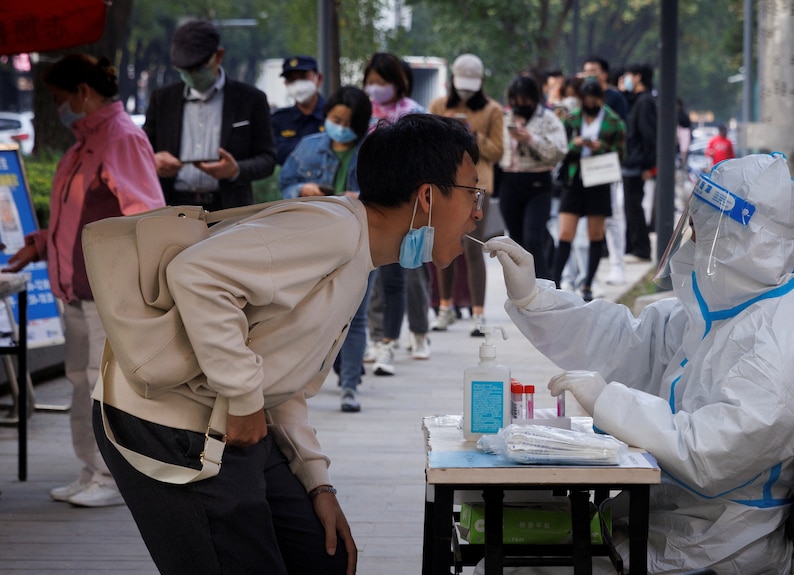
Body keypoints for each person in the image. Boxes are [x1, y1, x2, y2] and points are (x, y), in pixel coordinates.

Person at [93, 114, 483, 575]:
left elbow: (281, 378)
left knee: (323, 557)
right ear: (427, 195)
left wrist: (318, 484)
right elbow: (196, 273)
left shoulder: (359, 255)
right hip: (167, 419)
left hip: (232, 416)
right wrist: (241, 396)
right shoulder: (332, 229)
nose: (478, 210)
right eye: (472, 192)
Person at [484, 153, 794, 574]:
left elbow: (708, 453)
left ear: (733, 241)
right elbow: (629, 341)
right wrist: (536, 299)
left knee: (519, 566)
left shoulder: (787, 340)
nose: (691, 242)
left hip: (715, 545)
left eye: (700, 231)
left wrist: (610, 403)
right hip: (669, 519)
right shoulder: (730, 309)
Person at [3, 54, 165, 507]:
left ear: (82, 93)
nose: (58, 108)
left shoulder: (120, 139)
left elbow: (145, 217)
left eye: (58, 98)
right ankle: (92, 469)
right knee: (83, 380)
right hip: (77, 288)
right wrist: (40, 242)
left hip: (107, 290)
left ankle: (113, 480)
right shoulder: (84, 143)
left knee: (103, 384)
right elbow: (79, 216)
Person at [277, 86, 373, 412]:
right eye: (335, 118)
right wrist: (302, 189)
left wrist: (361, 200)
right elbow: (284, 185)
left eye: (347, 122)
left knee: (356, 316)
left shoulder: (372, 153)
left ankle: (349, 387)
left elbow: (387, 197)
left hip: (361, 240)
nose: (340, 126)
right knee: (316, 313)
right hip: (316, 242)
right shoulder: (308, 147)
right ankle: (313, 376)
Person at [143, 19, 276, 211]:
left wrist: (236, 170)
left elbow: (267, 159)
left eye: (198, 69)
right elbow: (142, 151)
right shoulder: (163, 99)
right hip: (172, 207)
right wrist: (153, 161)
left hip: (228, 209)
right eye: (184, 71)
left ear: (218, 56)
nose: (191, 76)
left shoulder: (250, 99)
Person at [362, 52, 431, 375]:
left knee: (409, 272)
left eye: (382, 82)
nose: (375, 89)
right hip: (372, 204)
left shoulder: (414, 115)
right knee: (375, 273)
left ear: (398, 83)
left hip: (408, 206)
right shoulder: (364, 114)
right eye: (370, 82)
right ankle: (377, 338)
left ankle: (417, 333)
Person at [428, 53, 504, 336]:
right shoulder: (438, 105)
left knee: (473, 249)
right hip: (446, 183)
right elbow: (427, 144)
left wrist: (473, 135)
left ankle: (478, 314)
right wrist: (446, 128)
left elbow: (497, 151)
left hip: (479, 186)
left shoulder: (492, 110)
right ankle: (444, 307)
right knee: (445, 246)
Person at [552, 81, 626, 301]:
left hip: (599, 179)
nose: (590, 104)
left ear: (601, 100)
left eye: (595, 100)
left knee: (595, 234)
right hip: (574, 180)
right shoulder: (572, 119)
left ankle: (587, 283)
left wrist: (600, 147)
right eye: (587, 100)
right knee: (565, 233)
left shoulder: (614, 122)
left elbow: (622, 154)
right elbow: (560, 149)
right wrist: (577, 144)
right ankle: (555, 281)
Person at [498, 75, 567, 280]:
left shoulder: (548, 119)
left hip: (538, 183)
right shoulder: (505, 118)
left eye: (525, 100)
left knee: (533, 237)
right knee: (516, 240)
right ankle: (521, 287)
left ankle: (545, 286)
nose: (520, 105)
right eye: (515, 101)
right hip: (509, 182)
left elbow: (560, 150)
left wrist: (531, 139)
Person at [582, 55, 629, 285]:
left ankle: (616, 265)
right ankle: (585, 272)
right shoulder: (578, 99)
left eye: (593, 70)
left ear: (604, 74)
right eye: (585, 70)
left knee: (611, 217)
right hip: (579, 170)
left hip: (604, 167)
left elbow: (621, 132)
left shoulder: (615, 99)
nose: (588, 74)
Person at [619, 63, 656, 261]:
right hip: (632, 162)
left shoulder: (645, 102)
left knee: (633, 206)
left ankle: (641, 248)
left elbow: (649, 136)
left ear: (638, 77)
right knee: (630, 206)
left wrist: (648, 165)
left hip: (637, 164)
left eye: (628, 75)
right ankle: (634, 246)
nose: (625, 80)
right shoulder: (638, 100)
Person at [271, 55, 326, 166]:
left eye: (303, 76)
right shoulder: (278, 120)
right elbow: (276, 155)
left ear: (318, 78)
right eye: (291, 79)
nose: (298, 84)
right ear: (286, 84)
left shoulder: (334, 115)